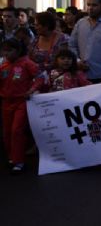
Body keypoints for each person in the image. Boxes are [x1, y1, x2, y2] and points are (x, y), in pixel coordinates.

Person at [0, 38, 44, 173]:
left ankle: (19, 161)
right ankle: (12, 157)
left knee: (16, 130)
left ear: (18, 50)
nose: (7, 53)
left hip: (22, 102)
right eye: (5, 50)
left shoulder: (27, 63)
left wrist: (31, 90)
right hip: (6, 102)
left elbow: (41, 77)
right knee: (7, 132)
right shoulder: (3, 65)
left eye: (10, 50)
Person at [28, 11, 70, 78]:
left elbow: (67, 60)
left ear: (46, 26)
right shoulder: (35, 40)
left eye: (37, 25)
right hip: (37, 78)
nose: (35, 27)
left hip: (57, 78)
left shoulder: (63, 40)